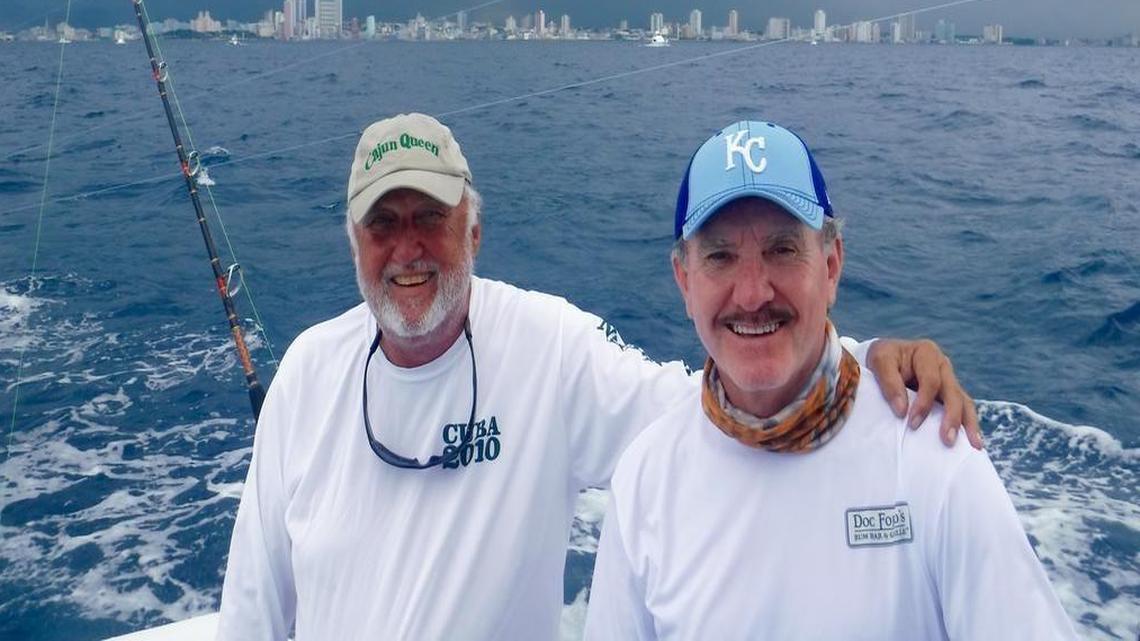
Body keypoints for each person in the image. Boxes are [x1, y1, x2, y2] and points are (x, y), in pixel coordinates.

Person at [216, 113, 980, 640]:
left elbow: (720, 406)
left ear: (474, 231)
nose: (407, 248)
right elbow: (255, 608)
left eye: (431, 218)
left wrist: (863, 360)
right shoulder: (308, 373)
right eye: (383, 223)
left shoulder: (550, 346)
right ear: (353, 241)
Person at [582, 121, 1076, 640]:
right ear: (685, 282)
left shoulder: (933, 456)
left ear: (832, 266)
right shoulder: (645, 477)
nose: (752, 294)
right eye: (720, 256)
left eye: (783, 249)